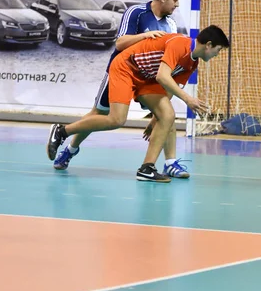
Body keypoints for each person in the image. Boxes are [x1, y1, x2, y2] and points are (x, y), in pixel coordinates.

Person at [47, 26, 230, 182]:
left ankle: (146, 168)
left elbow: (168, 89)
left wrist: (156, 117)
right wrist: (188, 99)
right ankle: (62, 131)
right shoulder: (180, 44)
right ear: (208, 45)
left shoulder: (192, 63)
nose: (217, 55)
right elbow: (162, 76)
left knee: (167, 115)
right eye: (218, 50)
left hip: (147, 79)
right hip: (126, 68)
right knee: (116, 119)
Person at [53, 0, 190, 178]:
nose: (176, 5)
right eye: (175, 0)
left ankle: (171, 163)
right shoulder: (137, 12)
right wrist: (145, 36)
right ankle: (70, 150)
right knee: (100, 113)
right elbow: (120, 43)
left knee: (165, 114)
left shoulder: (170, 24)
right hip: (122, 71)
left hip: (147, 77)